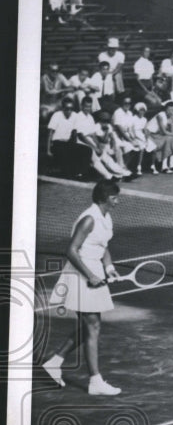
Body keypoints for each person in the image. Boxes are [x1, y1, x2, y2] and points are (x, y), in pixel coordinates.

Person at [41, 180, 124, 396]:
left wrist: (109, 266)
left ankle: (54, 362)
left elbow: (103, 245)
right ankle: (95, 381)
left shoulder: (106, 218)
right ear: (105, 198)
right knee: (93, 325)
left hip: (94, 270)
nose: (118, 200)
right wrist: (91, 276)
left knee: (90, 325)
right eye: (115, 197)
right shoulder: (89, 219)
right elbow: (71, 250)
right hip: (80, 273)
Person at [46, 96, 92, 177]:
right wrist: (48, 150)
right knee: (66, 153)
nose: (69, 111)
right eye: (67, 108)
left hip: (68, 143)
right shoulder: (57, 115)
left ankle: (81, 174)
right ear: (63, 108)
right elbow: (50, 133)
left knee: (87, 150)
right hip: (57, 144)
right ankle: (69, 173)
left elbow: (75, 132)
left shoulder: (75, 115)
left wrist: (74, 144)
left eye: (71, 108)